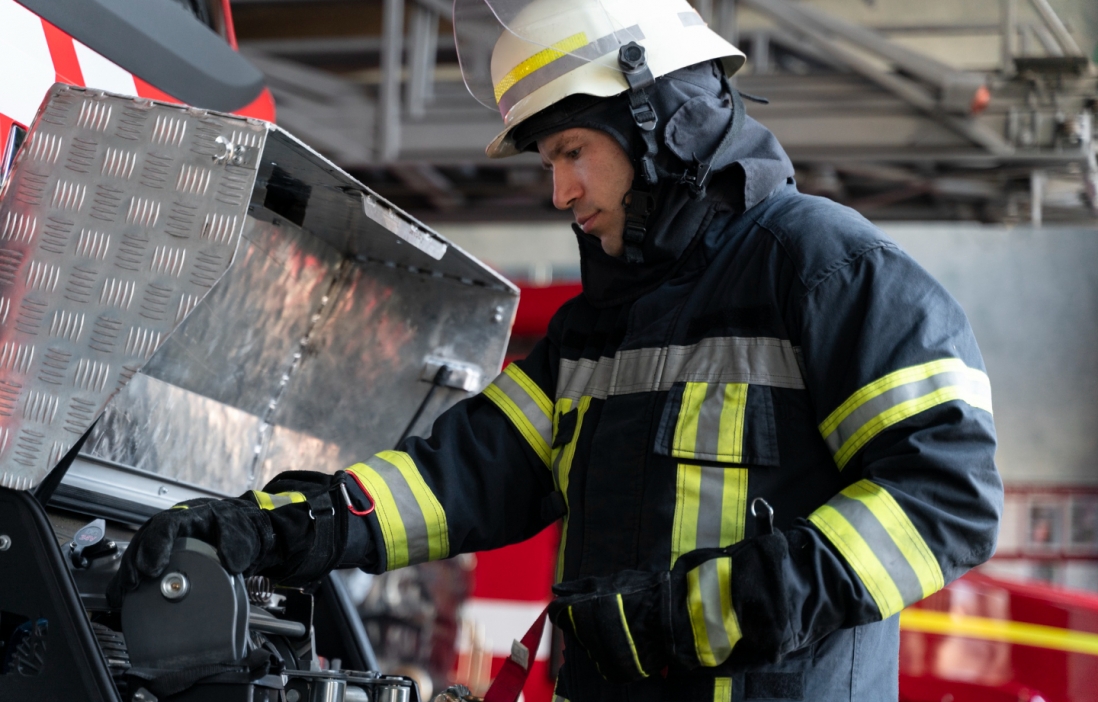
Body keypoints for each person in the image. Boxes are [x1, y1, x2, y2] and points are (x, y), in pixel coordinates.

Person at [108, 0, 1003, 699]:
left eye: (572, 150)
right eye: (547, 162)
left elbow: (946, 494)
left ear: (660, 121)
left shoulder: (826, 270)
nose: (561, 189)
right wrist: (273, 528)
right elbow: (457, 475)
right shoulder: (599, 328)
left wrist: (701, 615)